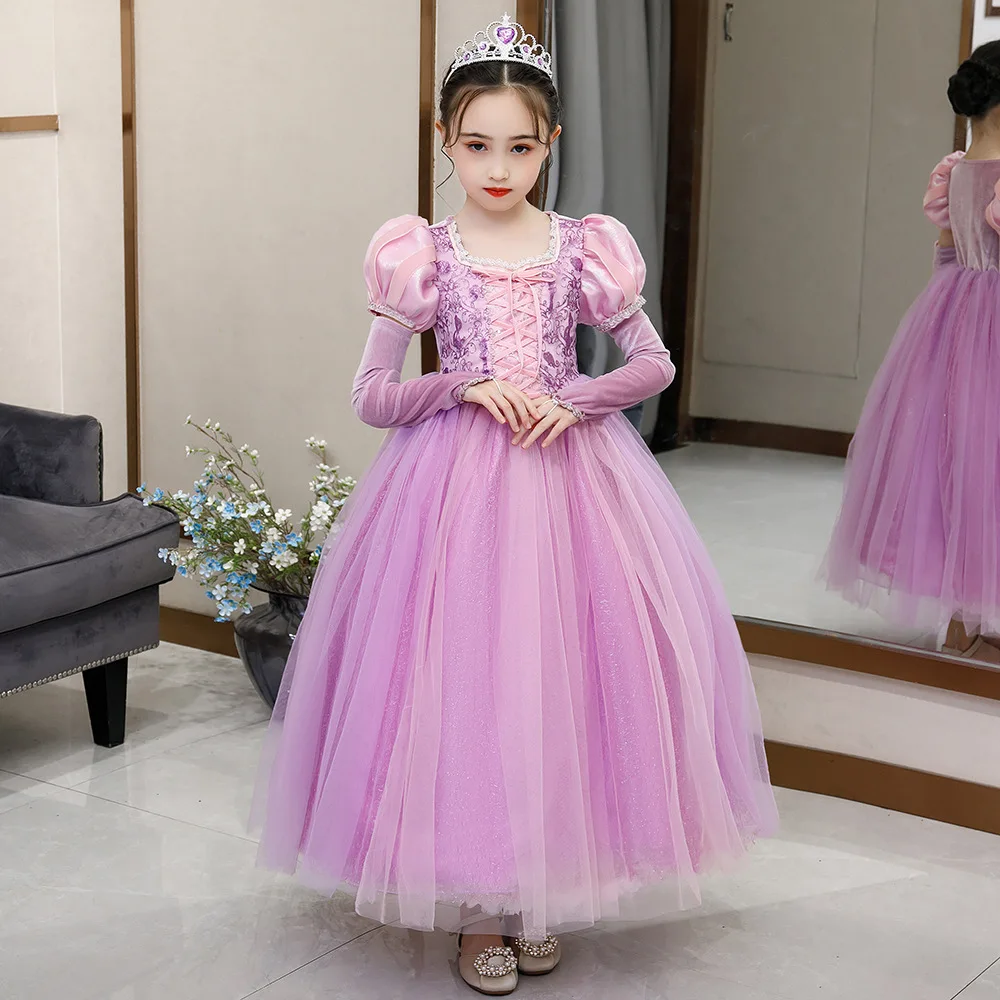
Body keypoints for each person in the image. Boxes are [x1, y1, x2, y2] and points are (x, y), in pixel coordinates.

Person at [251, 13, 777, 995]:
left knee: (563, 684)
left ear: (552, 143)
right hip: (450, 492)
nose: (499, 168)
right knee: (468, 686)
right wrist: (459, 383)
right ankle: (480, 910)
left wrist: (578, 398)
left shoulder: (584, 247)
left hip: (571, 482)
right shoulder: (422, 254)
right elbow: (371, 396)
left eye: (522, 147)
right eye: (477, 145)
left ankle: (540, 891)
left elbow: (653, 363)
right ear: (445, 141)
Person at [824, 42, 1000, 663]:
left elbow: (948, 252)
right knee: (987, 464)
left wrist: (942, 320)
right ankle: (981, 613)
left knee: (957, 460)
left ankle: (961, 615)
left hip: (953, 313)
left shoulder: (956, 169)